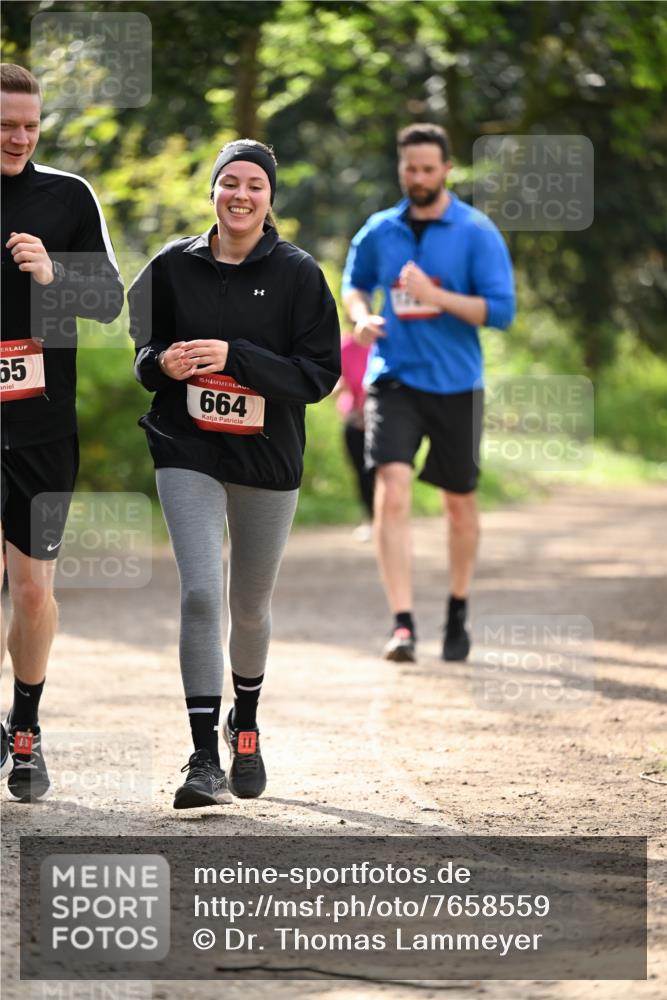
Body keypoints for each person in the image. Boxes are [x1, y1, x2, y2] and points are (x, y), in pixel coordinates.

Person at [129, 139, 340, 810]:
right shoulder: (170, 265)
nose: (240, 195)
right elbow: (143, 355)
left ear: (269, 198)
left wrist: (236, 357)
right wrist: (161, 366)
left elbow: (317, 376)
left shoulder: (298, 274)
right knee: (199, 595)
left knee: (248, 605)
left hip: (266, 457)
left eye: (254, 184)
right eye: (229, 183)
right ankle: (200, 757)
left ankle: (243, 725)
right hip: (185, 447)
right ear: (212, 192)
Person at [342, 123, 514, 664]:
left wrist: (434, 294)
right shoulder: (379, 230)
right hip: (394, 376)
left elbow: (501, 312)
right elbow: (354, 283)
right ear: (401, 168)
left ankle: (458, 607)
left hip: (456, 384)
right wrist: (361, 317)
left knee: (458, 505)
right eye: (409, 169)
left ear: (446, 171)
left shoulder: (476, 231)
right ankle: (403, 624)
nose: (417, 178)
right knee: (391, 487)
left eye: (427, 169)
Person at [0, 64, 123, 800]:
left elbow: (109, 300)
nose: (18, 137)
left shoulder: (67, 197)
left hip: (42, 423)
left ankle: (26, 730)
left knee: (33, 592)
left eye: (29, 126)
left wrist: (53, 275)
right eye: (5, 125)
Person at [334, 334, 374, 537]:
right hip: (354, 418)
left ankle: (387, 517)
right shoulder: (345, 347)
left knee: (384, 471)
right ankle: (372, 518)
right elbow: (336, 379)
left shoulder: (383, 344)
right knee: (362, 472)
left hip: (381, 416)